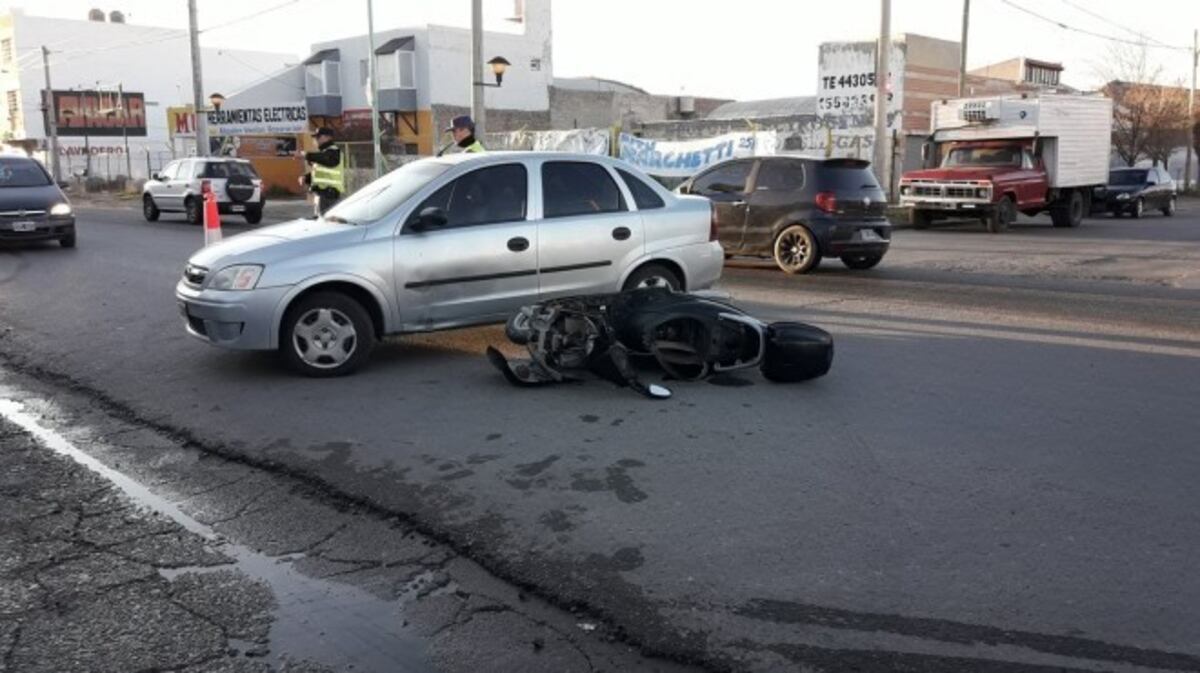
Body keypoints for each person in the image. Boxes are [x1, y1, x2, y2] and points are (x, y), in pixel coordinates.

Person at [295, 126, 345, 214]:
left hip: (329, 196)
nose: (315, 140)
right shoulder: (323, 153)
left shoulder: (334, 151)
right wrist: (306, 178)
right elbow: (320, 173)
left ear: (328, 137)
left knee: (326, 224)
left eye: (318, 137)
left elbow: (328, 160)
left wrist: (306, 155)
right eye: (315, 137)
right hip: (322, 195)